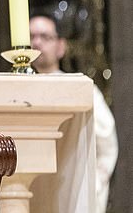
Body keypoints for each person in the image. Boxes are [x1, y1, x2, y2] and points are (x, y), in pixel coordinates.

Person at [30, 13, 118, 213]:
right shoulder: (14, 90)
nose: (36, 43)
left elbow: (107, 143)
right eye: (31, 36)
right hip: (30, 194)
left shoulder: (80, 89)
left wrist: (93, 187)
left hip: (69, 192)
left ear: (61, 46)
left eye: (45, 37)